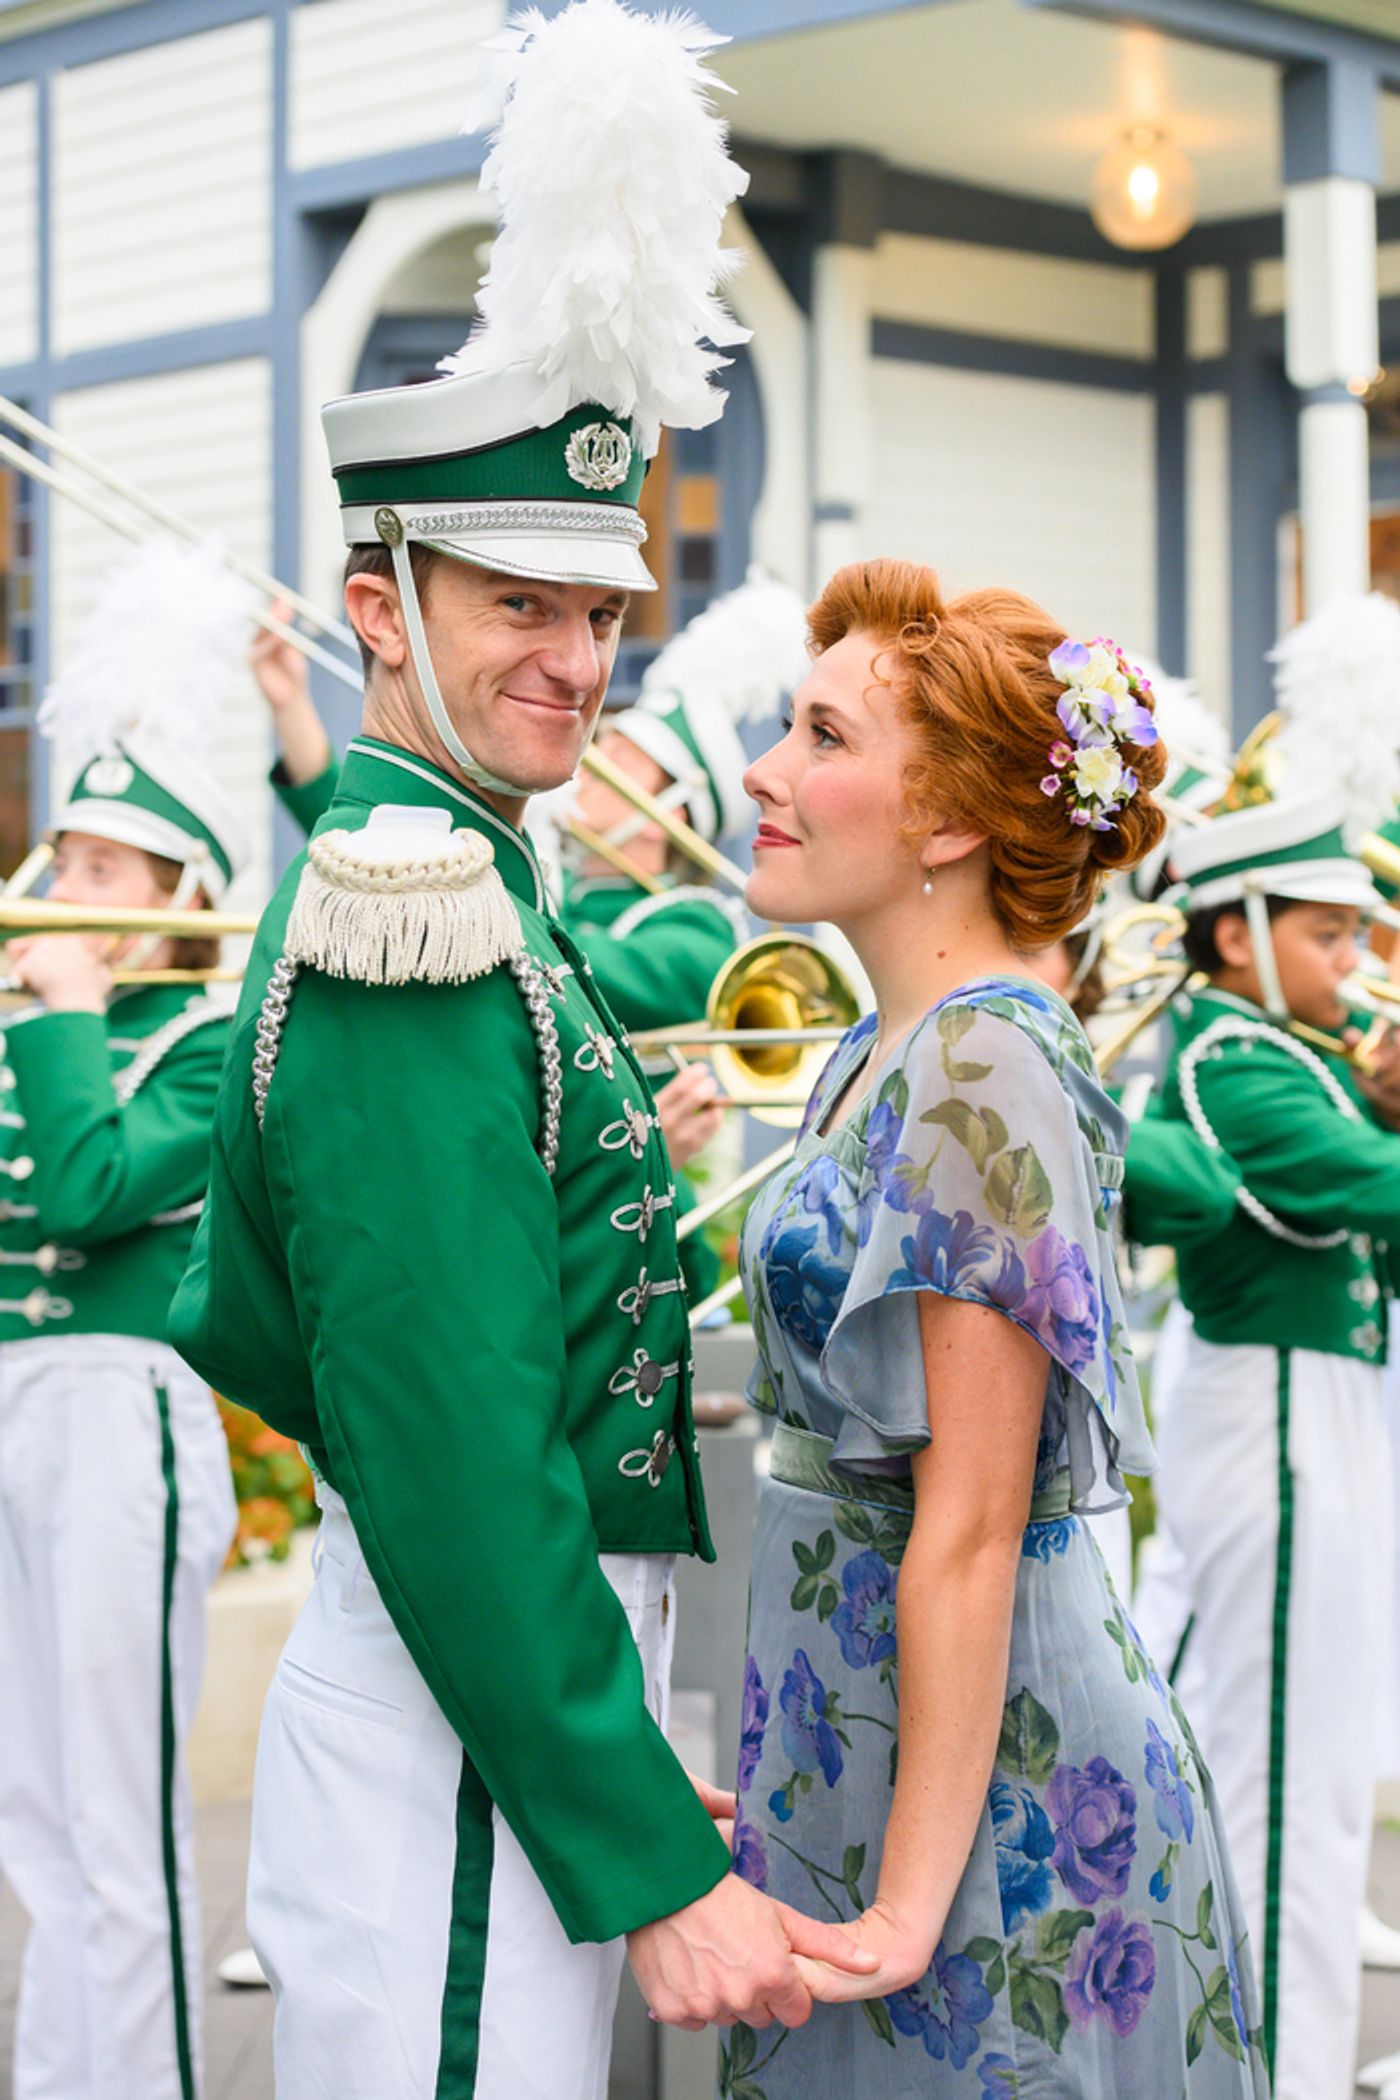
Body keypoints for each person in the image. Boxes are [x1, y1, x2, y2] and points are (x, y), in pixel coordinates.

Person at [169, 7, 874, 2095]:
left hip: (502, 1693)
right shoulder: (419, 906)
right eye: (514, 607)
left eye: (603, 610)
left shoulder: (483, 878)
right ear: (376, 608)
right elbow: (458, 1450)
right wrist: (640, 1848)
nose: (579, 659)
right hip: (469, 1728)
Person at [720, 558, 1268, 2096]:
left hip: (995, 1791)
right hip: (873, 1722)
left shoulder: (980, 1067)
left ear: (947, 820)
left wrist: (904, 1902)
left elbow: (967, 1526)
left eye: (824, 738)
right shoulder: (879, 1051)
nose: (765, 770)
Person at [0, 536, 249, 2100]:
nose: (63, 895)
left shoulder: (207, 1042)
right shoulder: (45, 1030)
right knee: (34, 1811)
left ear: (179, 903)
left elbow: (91, 1190)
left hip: (122, 1407)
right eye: (62, 864)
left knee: (121, 1817)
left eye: (103, 872)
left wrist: (70, 1013)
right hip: (19, 1404)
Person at [1129, 792, 1400, 2100]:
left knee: (1301, 1770)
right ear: (1235, 935)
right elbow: (1370, 1193)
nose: (1358, 962)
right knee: (1289, 1792)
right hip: (1278, 1417)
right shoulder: (1230, 1062)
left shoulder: (1289, 1054)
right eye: (1332, 934)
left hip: (1315, 1408)